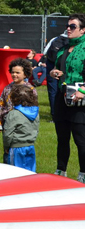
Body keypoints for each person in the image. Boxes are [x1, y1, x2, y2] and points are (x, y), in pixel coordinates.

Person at [49, 14, 85, 182]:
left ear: (83, 30)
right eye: (67, 26)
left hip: (80, 100)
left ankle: (83, 173)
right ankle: (61, 170)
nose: (68, 29)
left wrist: (83, 90)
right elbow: (56, 67)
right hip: (62, 96)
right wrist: (54, 72)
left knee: (80, 138)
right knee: (62, 137)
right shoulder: (63, 47)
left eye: (73, 26)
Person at [3, 83, 39, 171]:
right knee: (30, 173)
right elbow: (36, 129)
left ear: (13, 99)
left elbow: (7, 133)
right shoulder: (35, 113)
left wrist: (6, 147)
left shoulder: (13, 114)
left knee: (15, 174)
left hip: (16, 148)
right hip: (30, 146)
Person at [0, 58, 35, 132]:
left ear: (25, 74)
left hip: (23, 123)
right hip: (7, 122)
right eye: (12, 72)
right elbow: (1, 105)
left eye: (17, 73)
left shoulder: (30, 89)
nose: (14, 75)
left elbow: (33, 108)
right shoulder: (7, 88)